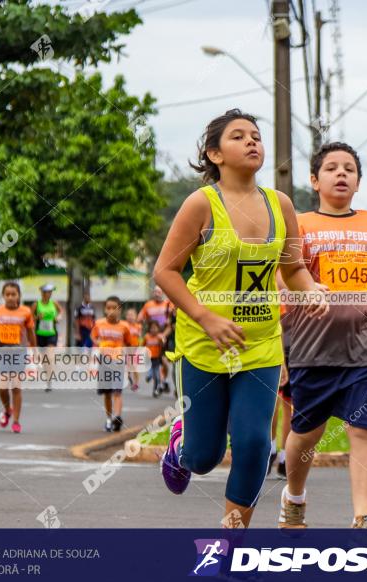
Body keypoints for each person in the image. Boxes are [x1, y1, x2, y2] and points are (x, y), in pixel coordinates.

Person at [153, 109, 327, 529]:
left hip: (260, 345)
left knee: (253, 444)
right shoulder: (201, 205)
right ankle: (181, 445)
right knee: (203, 457)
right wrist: (205, 317)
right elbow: (165, 272)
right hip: (203, 345)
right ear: (215, 153)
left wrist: (311, 289)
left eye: (256, 135)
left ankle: (232, 543)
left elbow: (293, 268)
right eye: (238, 137)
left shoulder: (280, 203)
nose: (252, 142)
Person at [279, 141, 367, 530]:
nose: (341, 173)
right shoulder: (298, 223)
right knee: (306, 432)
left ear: (359, 182)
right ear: (314, 180)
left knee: (363, 430)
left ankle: (364, 517)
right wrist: (280, 350)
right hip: (312, 348)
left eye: (349, 168)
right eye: (331, 168)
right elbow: (284, 285)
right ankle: (294, 497)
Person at [0, 282, 37, 434]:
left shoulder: (26, 312)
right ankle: (7, 410)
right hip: (3, 352)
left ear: (18, 296)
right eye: (7, 294)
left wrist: (34, 350)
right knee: (2, 387)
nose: (10, 297)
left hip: (19, 352)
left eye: (13, 294)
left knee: (16, 386)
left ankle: (16, 420)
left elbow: (30, 333)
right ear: (3, 296)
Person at [91, 296, 136, 432]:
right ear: (105, 309)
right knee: (107, 393)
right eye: (108, 307)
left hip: (118, 362)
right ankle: (109, 419)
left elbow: (130, 343)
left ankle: (117, 417)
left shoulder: (124, 326)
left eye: (114, 308)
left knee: (117, 392)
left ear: (119, 310)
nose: (111, 310)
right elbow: (93, 336)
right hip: (104, 362)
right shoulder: (99, 324)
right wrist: (98, 343)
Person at [268, 270, 293, 479]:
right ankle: (283, 456)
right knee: (289, 403)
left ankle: (273, 450)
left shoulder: (274, 269)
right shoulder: (298, 267)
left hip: (276, 338)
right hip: (296, 338)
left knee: (275, 400)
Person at [139, 287, 173, 390]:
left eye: (159, 292)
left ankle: (164, 379)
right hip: (152, 337)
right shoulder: (148, 305)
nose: (156, 294)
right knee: (154, 359)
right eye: (155, 292)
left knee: (164, 361)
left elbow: (172, 323)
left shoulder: (168, 304)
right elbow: (140, 318)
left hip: (164, 336)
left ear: (163, 293)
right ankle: (158, 380)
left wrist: (163, 336)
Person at [32, 283, 63, 392]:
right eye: (47, 292)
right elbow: (30, 319)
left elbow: (61, 312)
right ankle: (48, 379)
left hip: (52, 333)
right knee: (44, 360)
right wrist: (37, 317)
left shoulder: (54, 303)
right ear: (42, 293)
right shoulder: (36, 304)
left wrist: (58, 317)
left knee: (49, 357)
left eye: (51, 292)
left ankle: (49, 381)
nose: (49, 294)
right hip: (40, 334)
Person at [143, 320, 166, 397]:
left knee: (157, 375)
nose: (153, 330)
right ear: (149, 329)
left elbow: (163, 345)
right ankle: (149, 377)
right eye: (152, 328)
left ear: (158, 329)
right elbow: (143, 345)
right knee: (150, 371)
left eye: (155, 328)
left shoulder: (159, 337)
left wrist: (162, 340)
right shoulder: (147, 337)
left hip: (157, 358)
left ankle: (155, 390)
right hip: (149, 358)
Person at [125, 308, 143, 392]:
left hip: (135, 349)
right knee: (127, 366)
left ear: (136, 317)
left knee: (135, 367)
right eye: (128, 315)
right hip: (126, 349)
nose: (130, 317)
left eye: (132, 315)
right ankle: (128, 378)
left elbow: (140, 338)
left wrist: (140, 347)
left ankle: (136, 383)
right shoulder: (124, 325)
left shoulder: (138, 326)